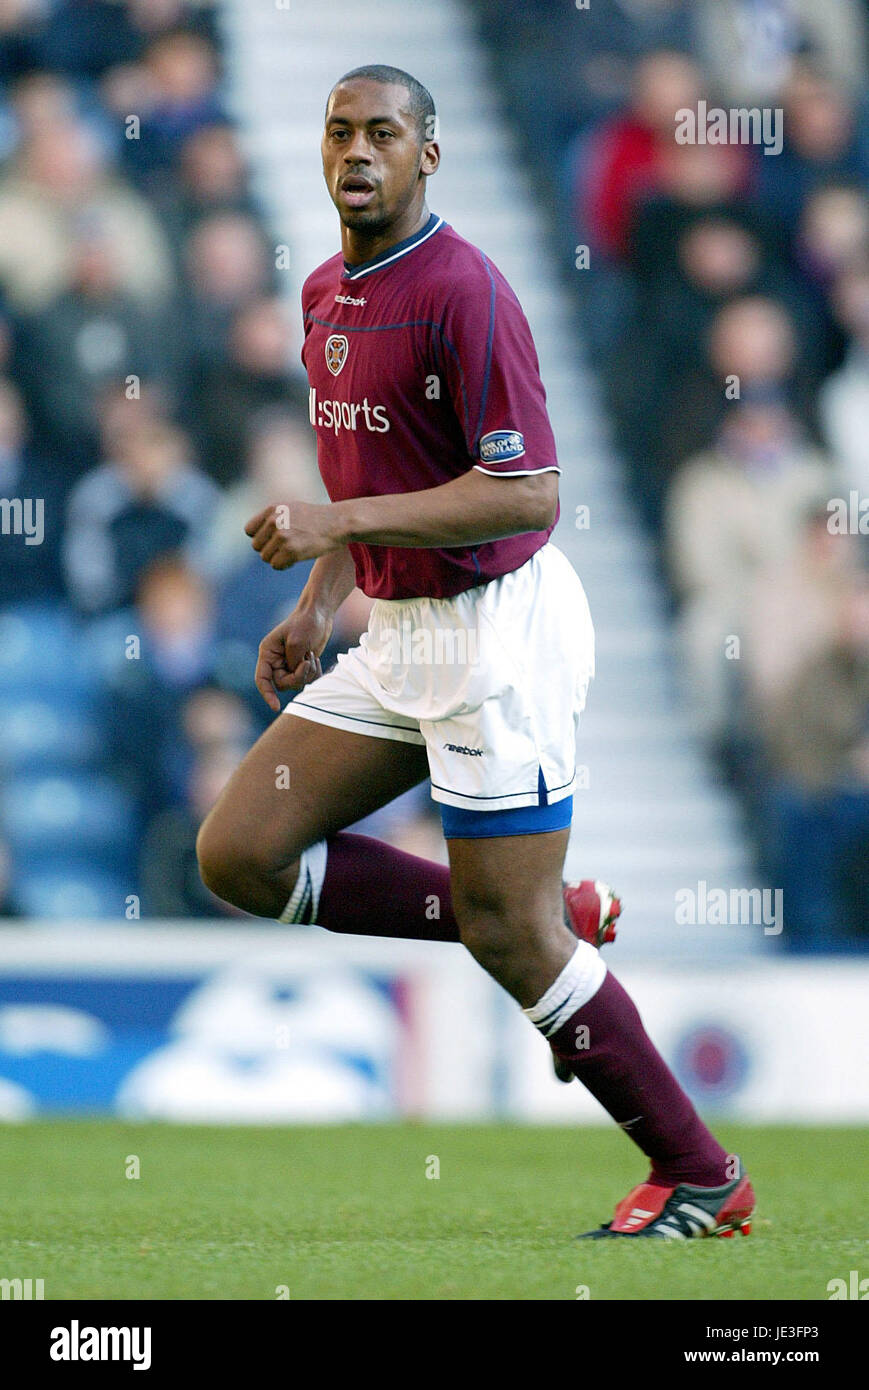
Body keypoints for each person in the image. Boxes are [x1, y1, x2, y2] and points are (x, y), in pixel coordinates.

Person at [196, 65, 754, 1239]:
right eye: (339, 130)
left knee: (514, 937)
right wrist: (317, 601)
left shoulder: (466, 291)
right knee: (240, 853)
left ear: (427, 156)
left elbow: (526, 492)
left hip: (495, 633)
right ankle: (546, 909)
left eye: (383, 133)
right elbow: (371, 474)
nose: (357, 151)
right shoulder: (321, 294)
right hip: (396, 632)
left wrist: (333, 530)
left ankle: (699, 1172)